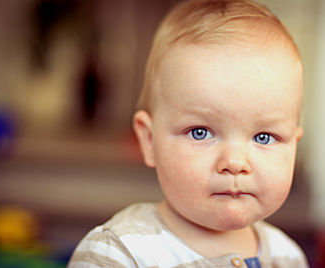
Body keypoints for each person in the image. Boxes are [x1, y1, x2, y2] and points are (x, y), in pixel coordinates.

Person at [68, 0, 308, 267]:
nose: (235, 163)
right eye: (200, 132)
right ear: (149, 140)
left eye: (263, 137)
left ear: (293, 147)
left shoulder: (288, 256)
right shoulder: (121, 252)